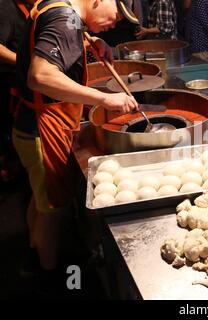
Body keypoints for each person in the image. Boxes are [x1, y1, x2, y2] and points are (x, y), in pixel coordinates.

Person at [14, 0, 139, 281]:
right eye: (117, 16)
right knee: (52, 208)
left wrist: (88, 41)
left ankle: (36, 254)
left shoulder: (61, 9)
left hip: (30, 124)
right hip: (42, 128)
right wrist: (105, 98)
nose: (114, 24)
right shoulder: (64, 16)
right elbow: (40, 76)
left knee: (41, 199)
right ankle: (46, 276)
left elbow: (53, 41)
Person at [0, 0, 36, 183]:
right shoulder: (6, 8)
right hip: (10, 86)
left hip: (26, 83)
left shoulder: (33, 7)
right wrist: (24, 62)